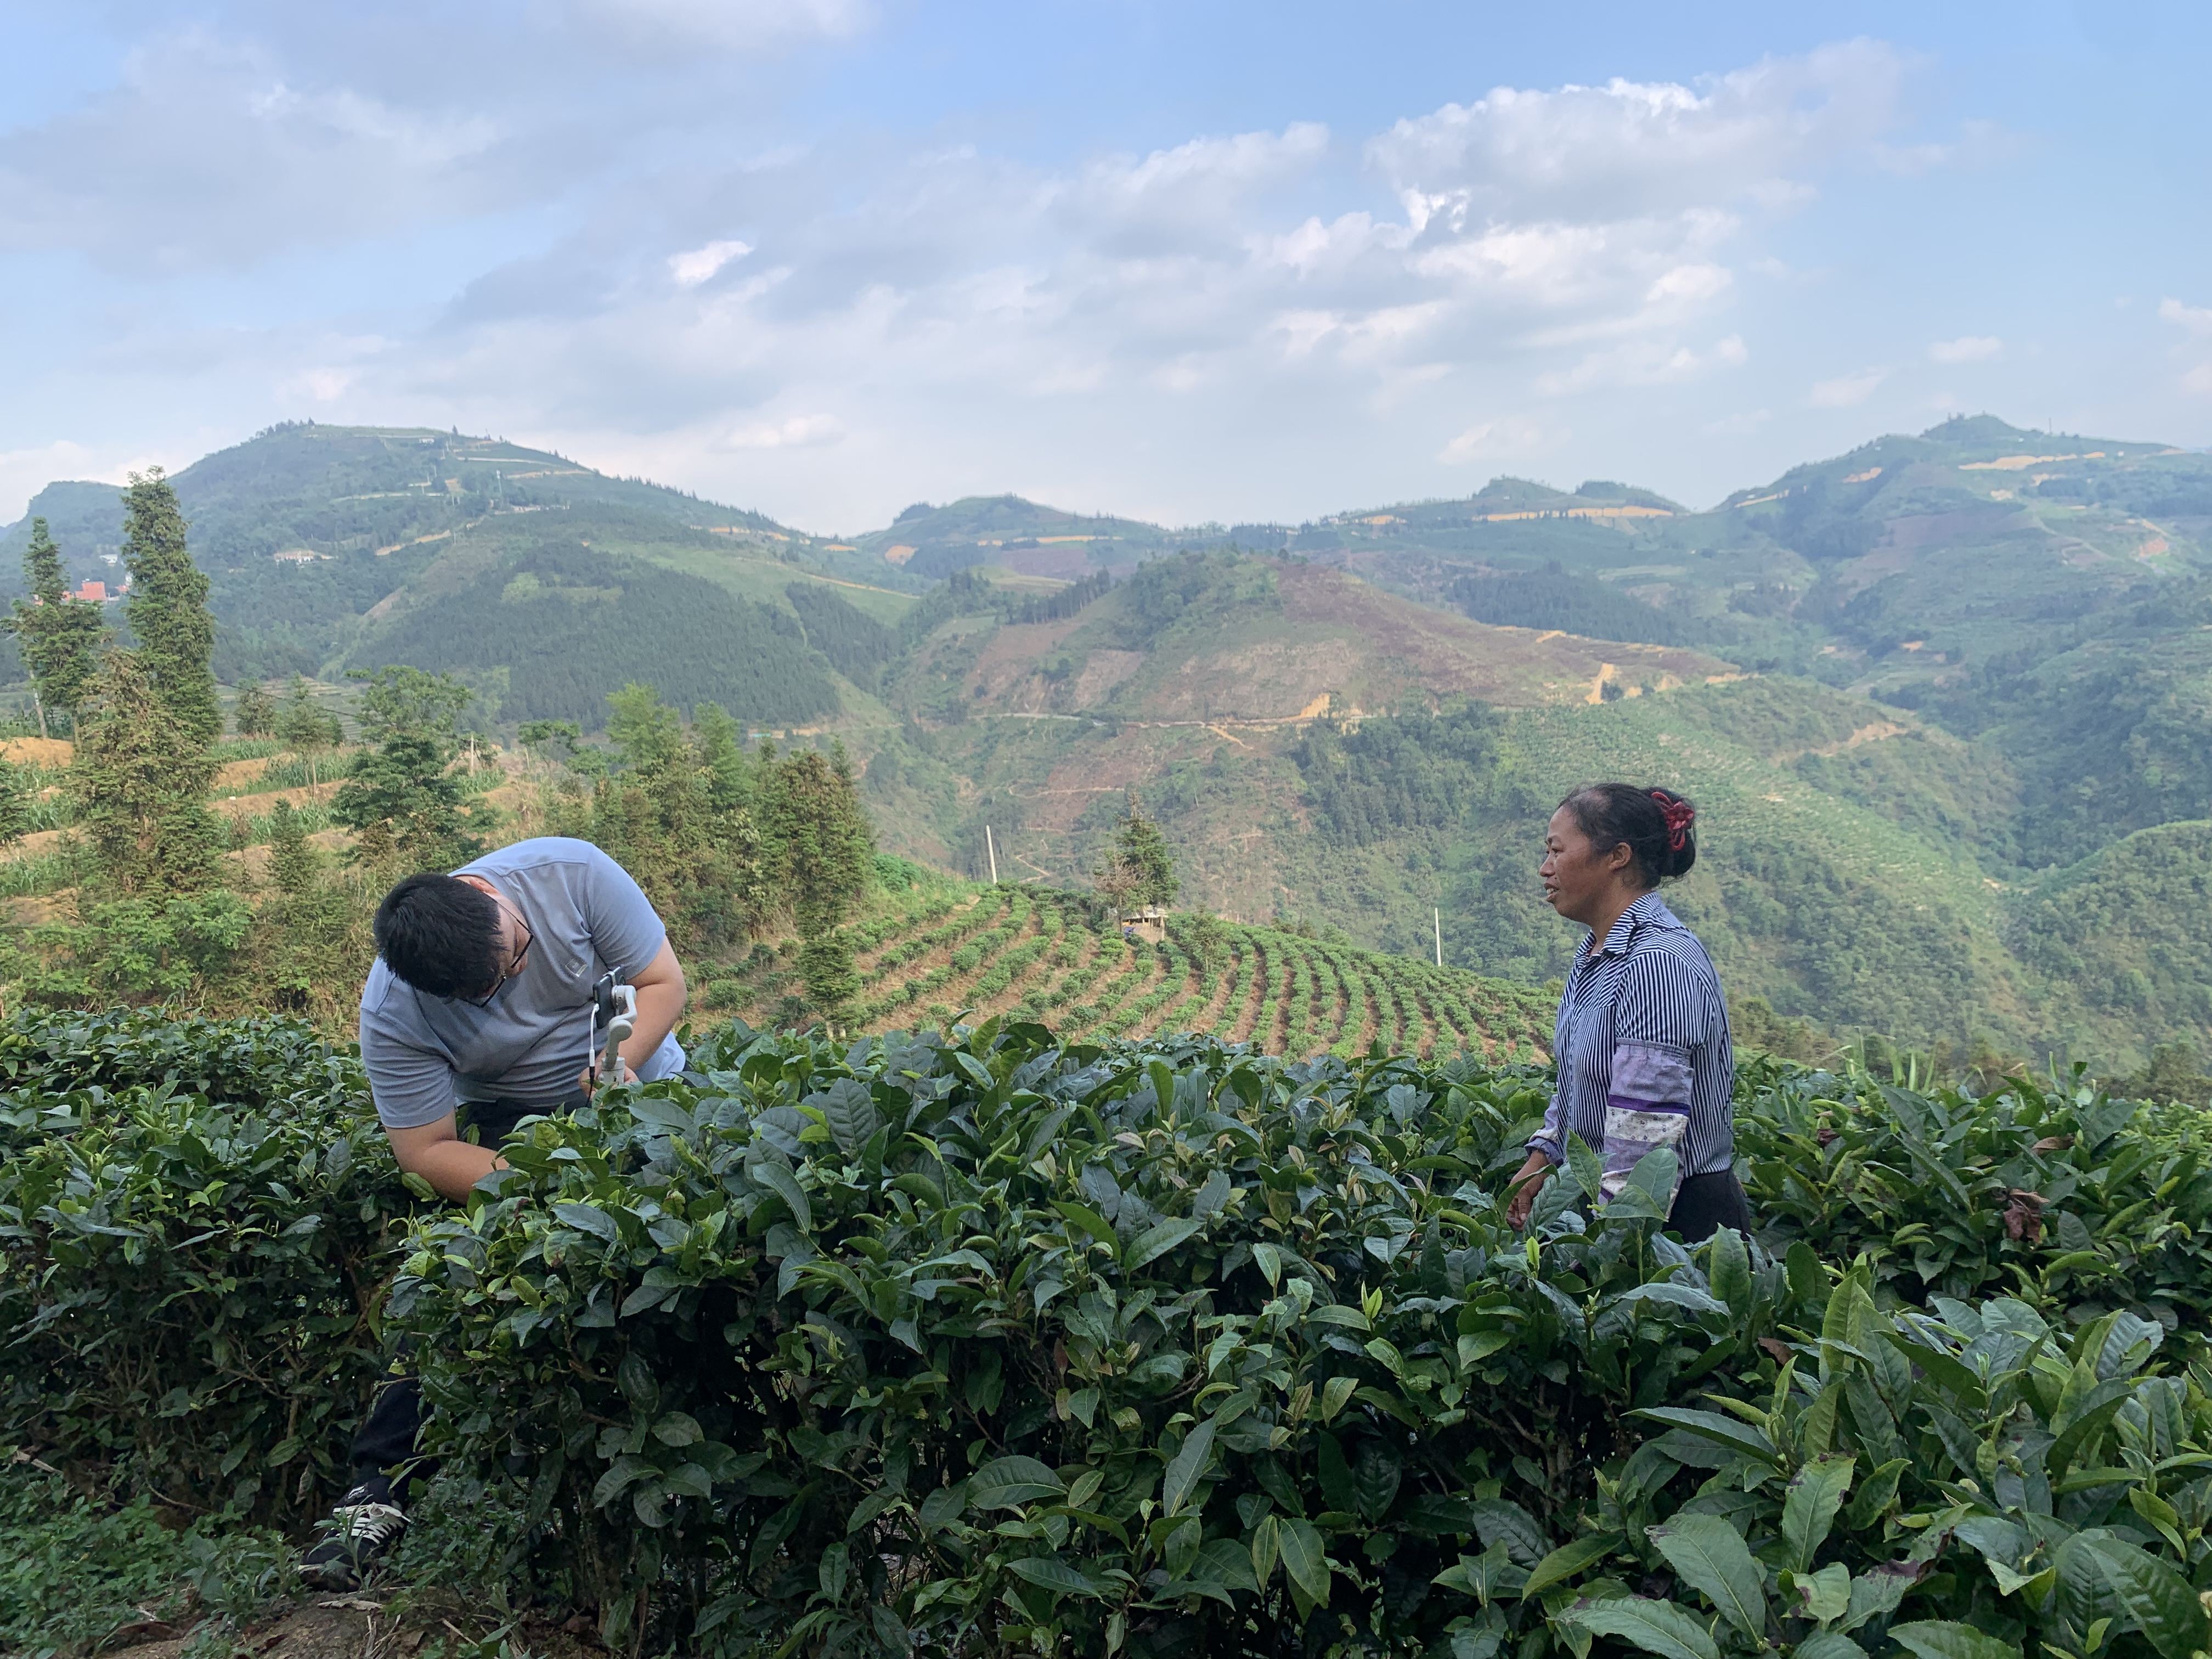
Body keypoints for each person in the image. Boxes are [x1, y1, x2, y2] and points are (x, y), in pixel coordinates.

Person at [300, 837, 689, 1590]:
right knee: (443, 1284)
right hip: (516, 1133)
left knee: (688, 1253)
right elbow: (425, 1150)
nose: (513, 979)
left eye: (516, 957)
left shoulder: (572, 875)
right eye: (489, 991)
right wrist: (542, 1178)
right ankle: (374, 1499)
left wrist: (616, 1066)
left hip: (643, 1082)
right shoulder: (395, 1010)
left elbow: (662, 982)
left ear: (488, 899)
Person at [1503, 784, 1752, 1243]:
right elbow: (1581, 1084)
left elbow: (1645, 1141)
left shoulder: (1657, 964)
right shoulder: (1596, 954)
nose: (1545, 867)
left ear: (1617, 856)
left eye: (1557, 850)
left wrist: (1606, 1250)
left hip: (1676, 1226)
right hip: (1610, 1206)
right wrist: (1541, 1161)